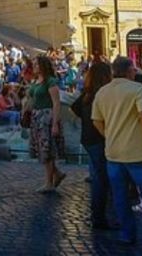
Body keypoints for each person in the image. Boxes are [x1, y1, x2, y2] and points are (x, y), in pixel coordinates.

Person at [92, 56, 142, 249]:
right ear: (128, 71)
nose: (136, 72)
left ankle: (127, 234)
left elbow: (96, 120)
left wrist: (108, 134)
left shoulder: (102, 91)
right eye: (134, 70)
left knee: (120, 197)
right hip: (138, 152)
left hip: (113, 152)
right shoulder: (137, 89)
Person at [70, 61, 112, 229]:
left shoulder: (88, 93)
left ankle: (98, 214)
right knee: (102, 179)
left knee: (98, 176)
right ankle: (99, 217)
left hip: (88, 138)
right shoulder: (103, 93)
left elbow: (75, 108)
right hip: (100, 138)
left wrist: (86, 119)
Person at [28, 55, 65, 193]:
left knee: (46, 150)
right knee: (43, 150)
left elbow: (56, 103)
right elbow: (31, 98)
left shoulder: (50, 81)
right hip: (37, 117)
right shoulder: (36, 81)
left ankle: (49, 182)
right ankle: (57, 174)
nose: (34, 67)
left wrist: (55, 123)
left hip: (46, 117)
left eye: (36, 64)